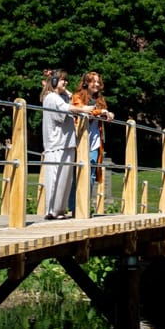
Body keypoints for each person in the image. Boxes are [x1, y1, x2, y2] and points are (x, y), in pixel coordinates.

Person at [40, 69, 92, 220]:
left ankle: (59, 210)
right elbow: (67, 108)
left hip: (67, 142)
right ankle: (50, 211)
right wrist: (83, 109)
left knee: (65, 180)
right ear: (55, 82)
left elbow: (71, 98)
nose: (66, 82)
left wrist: (65, 90)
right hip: (55, 143)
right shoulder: (51, 97)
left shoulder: (61, 96)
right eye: (63, 80)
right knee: (54, 178)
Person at [69, 71, 115, 214]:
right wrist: (101, 111)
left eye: (97, 82)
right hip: (80, 140)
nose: (96, 84)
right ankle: (73, 207)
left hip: (95, 142)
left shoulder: (100, 100)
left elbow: (105, 112)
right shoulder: (77, 97)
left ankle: (83, 205)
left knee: (92, 174)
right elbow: (85, 113)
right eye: (92, 81)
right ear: (85, 83)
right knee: (76, 173)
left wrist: (109, 114)